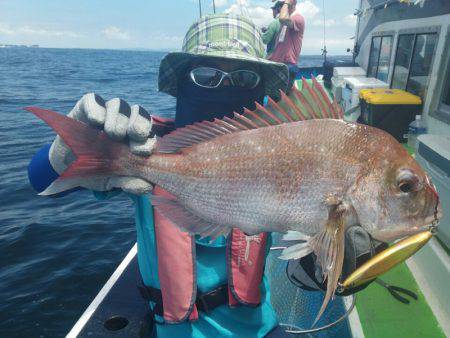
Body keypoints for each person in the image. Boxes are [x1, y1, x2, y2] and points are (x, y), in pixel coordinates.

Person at [28, 13, 380, 338]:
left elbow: (302, 241)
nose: (223, 87)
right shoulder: (148, 148)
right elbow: (42, 184)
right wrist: (64, 151)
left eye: (243, 78)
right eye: (206, 76)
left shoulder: (279, 150)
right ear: (183, 83)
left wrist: (330, 263)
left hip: (260, 328)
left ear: (259, 91)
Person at [268, 0, 305, 93]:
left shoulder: (298, 19)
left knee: (279, 101)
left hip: (286, 67)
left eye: (284, 4)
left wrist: (287, 1)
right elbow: (280, 45)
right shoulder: (285, 24)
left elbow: (283, 18)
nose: (281, 7)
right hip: (277, 65)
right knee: (272, 99)